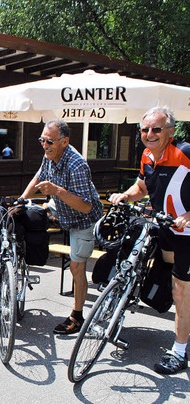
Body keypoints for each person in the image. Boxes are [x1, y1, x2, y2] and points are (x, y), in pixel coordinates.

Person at [109, 106, 189, 374]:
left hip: (186, 233)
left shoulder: (184, 153)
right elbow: (142, 187)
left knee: (181, 290)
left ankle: (179, 352)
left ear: (170, 131)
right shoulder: (146, 155)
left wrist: (188, 216)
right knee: (159, 271)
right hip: (163, 227)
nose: (149, 134)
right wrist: (125, 196)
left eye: (156, 129)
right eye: (145, 129)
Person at [20, 119, 103, 335]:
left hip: (82, 220)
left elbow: (86, 206)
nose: (44, 144)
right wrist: (21, 200)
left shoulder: (76, 164)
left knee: (76, 268)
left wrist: (56, 191)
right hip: (63, 211)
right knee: (30, 214)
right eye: (42, 140)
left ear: (64, 141)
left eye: (49, 141)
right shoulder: (49, 156)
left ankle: (77, 316)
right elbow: (38, 176)